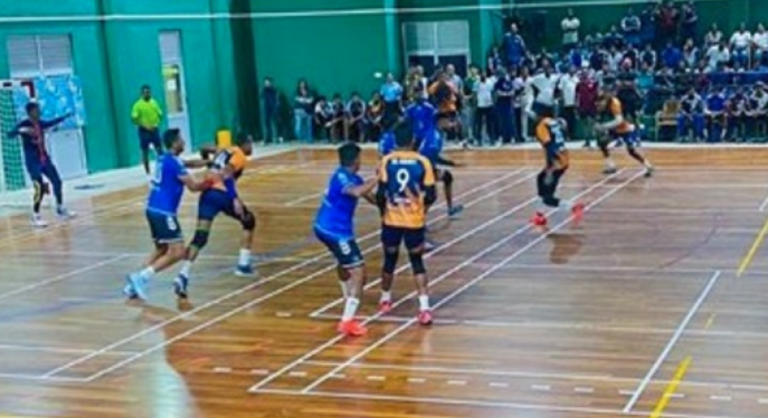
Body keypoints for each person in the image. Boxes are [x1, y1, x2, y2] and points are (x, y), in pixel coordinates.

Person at [123, 129, 213, 301]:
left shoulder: (164, 158)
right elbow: (193, 187)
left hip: (152, 208)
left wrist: (206, 163)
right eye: (181, 140)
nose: (184, 143)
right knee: (178, 251)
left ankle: (131, 286)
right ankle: (141, 278)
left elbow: (187, 163)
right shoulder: (174, 163)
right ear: (174, 143)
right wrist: (212, 181)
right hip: (164, 212)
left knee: (161, 249)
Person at [173, 134, 257, 299]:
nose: (252, 148)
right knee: (249, 221)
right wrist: (234, 199)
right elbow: (227, 175)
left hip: (207, 195)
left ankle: (183, 275)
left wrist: (207, 160)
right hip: (222, 195)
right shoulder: (239, 155)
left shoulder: (224, 149)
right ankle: (243, 264)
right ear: (244, 144)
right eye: (251, 144)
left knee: (200, 237)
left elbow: (204, 147)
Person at [313, 142, 378, 337]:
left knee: (344, 263)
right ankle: (347, 322)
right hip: (334, 231)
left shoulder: (353, 177)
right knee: (359, 272)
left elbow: (370, 196)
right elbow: (356, 191)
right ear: (356, 160)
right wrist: (379, 176)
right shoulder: (341, 177)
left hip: (327, 228)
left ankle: (347, 298)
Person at [376, 122, 437, 325]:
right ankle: (424, 308)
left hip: (391, 220)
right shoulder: (423, 162)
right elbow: (431, 194)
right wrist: (421, 208)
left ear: (395, 140)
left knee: (389, 260)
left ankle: (385, 299)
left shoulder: (387, 161)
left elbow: (380, 193)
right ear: (413, 140)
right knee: (417, 262)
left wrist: (383, 212)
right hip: (414, 221)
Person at [8, 102, 75, 227]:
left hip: (44, 159)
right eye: (37, 110)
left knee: (57, 181)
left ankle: (60, 208)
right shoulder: (24, 124)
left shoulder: (40, 123)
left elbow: (51, 122)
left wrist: (64, 117)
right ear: (30, 112)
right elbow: (9, 134)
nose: (39, 112)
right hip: (33, 162)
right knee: (39, 187)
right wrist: (21, 130)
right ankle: (36, 215)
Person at [405, 94, 463, 219]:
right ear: (441, 121)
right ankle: (418, 218)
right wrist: (450, 163)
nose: (450, 124)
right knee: (431, 195)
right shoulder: (434, 136)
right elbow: (431, 156)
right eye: (448, 121)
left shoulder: (436, 133)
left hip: (425, 165)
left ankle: (450, 209)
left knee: (447, 177)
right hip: (421, 167)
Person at [530, 105, 584, 228]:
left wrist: (550, 167)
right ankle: (539, 216)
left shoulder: (541, 126)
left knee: (547, 198)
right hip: (563, 158)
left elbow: (549, 146)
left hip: (556, 162)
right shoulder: (553, 122)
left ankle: (572, 206)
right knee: (540, 181)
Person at [595, 85, 654, 177]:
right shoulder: (602, 102)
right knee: (602, 142)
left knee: (631, 151)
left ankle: (647, 165)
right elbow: (599, 115)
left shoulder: (615, 103)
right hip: (613, 130)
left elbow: (619, 120)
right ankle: (611, 165)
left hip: (623, 128)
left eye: (606, 92)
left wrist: (604, 126)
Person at [131, 85, 164, 176]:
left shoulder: (154, 102)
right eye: (145, 92)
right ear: (142, 94)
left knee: (159, 149)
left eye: (148, 92)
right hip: (144, 130)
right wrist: (145, 125)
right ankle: (147, 172)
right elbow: (134, 118)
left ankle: (162, 168)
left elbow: (160, 114)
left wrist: (155, 124)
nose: (147, 94)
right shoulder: (137, 105)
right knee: (145, 151)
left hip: (154, 129)